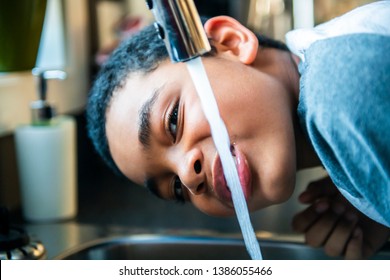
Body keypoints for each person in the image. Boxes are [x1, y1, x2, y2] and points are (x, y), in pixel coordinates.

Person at [86, 1, 390, 259]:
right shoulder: (340, 101)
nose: (189, 177)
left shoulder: (338, 92)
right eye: (176, 188)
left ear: (231, 43)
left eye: (173, 120)